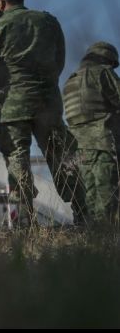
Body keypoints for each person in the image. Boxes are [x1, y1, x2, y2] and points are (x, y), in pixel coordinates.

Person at [0, 0, 87, 228]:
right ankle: (83, 212)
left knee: (17, 159)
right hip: (48, 102)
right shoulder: (50, 23)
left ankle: (25, 220)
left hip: (12, 104)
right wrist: (45, 87)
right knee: (60, 155)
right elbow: (59, 60)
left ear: (1, 2)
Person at [63, 41, 120, 226]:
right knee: (106, 189)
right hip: (100, 141)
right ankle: (105, 237)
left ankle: (89, 234)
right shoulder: (102, 73)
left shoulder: (70, 80)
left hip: (76, 147)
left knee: (86, 192)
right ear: (106, 58)